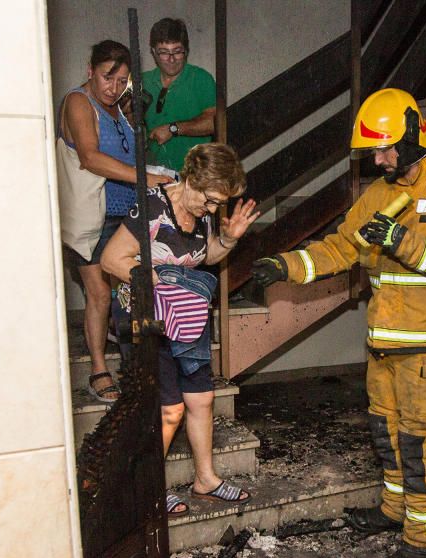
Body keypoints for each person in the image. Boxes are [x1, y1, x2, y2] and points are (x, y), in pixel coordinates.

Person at [251, 88, 426, 558]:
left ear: (410, 135)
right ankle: (394, 509)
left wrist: (401, 240)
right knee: (387, 433)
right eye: (372, 151)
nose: (377, 160)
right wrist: (286, 265)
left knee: (421, 441)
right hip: (384, 344)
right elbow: (341, 248)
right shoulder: (379, 194)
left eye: (383, 149)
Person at [101, 143, 261, 517]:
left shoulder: (201, 211)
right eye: (209, 201)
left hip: (187, 318)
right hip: (150, 318)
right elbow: (111, 259)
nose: (212, 209)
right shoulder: (153, 206)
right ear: (190, 180)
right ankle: (148, 488)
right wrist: (161, 279)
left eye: (217, 204)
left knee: (202, 399)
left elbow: (205, 256)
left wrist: (229, 238)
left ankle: (205, 478)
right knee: (170, 408)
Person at [58, 40, 169, 404]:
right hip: (93, 215)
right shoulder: (78, 102)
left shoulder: (117, 109)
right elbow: (89, 158)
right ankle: (97, 369)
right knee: (100, 294)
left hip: (124, 214)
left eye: (122, 81)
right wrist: (145, 178)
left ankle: (133, 367)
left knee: (127, 293)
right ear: (90, 69)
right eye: (108, 77)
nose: (114, 87)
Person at [142, 18, 216, 172]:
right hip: (154, 174)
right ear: (153, 52)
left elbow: (213, 122)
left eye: (177, 51)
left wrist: (173, 129)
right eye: (164, 52)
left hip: (195, 174)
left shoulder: (201, 78)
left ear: (186, 51)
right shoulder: (143, 81)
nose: (171, 59)